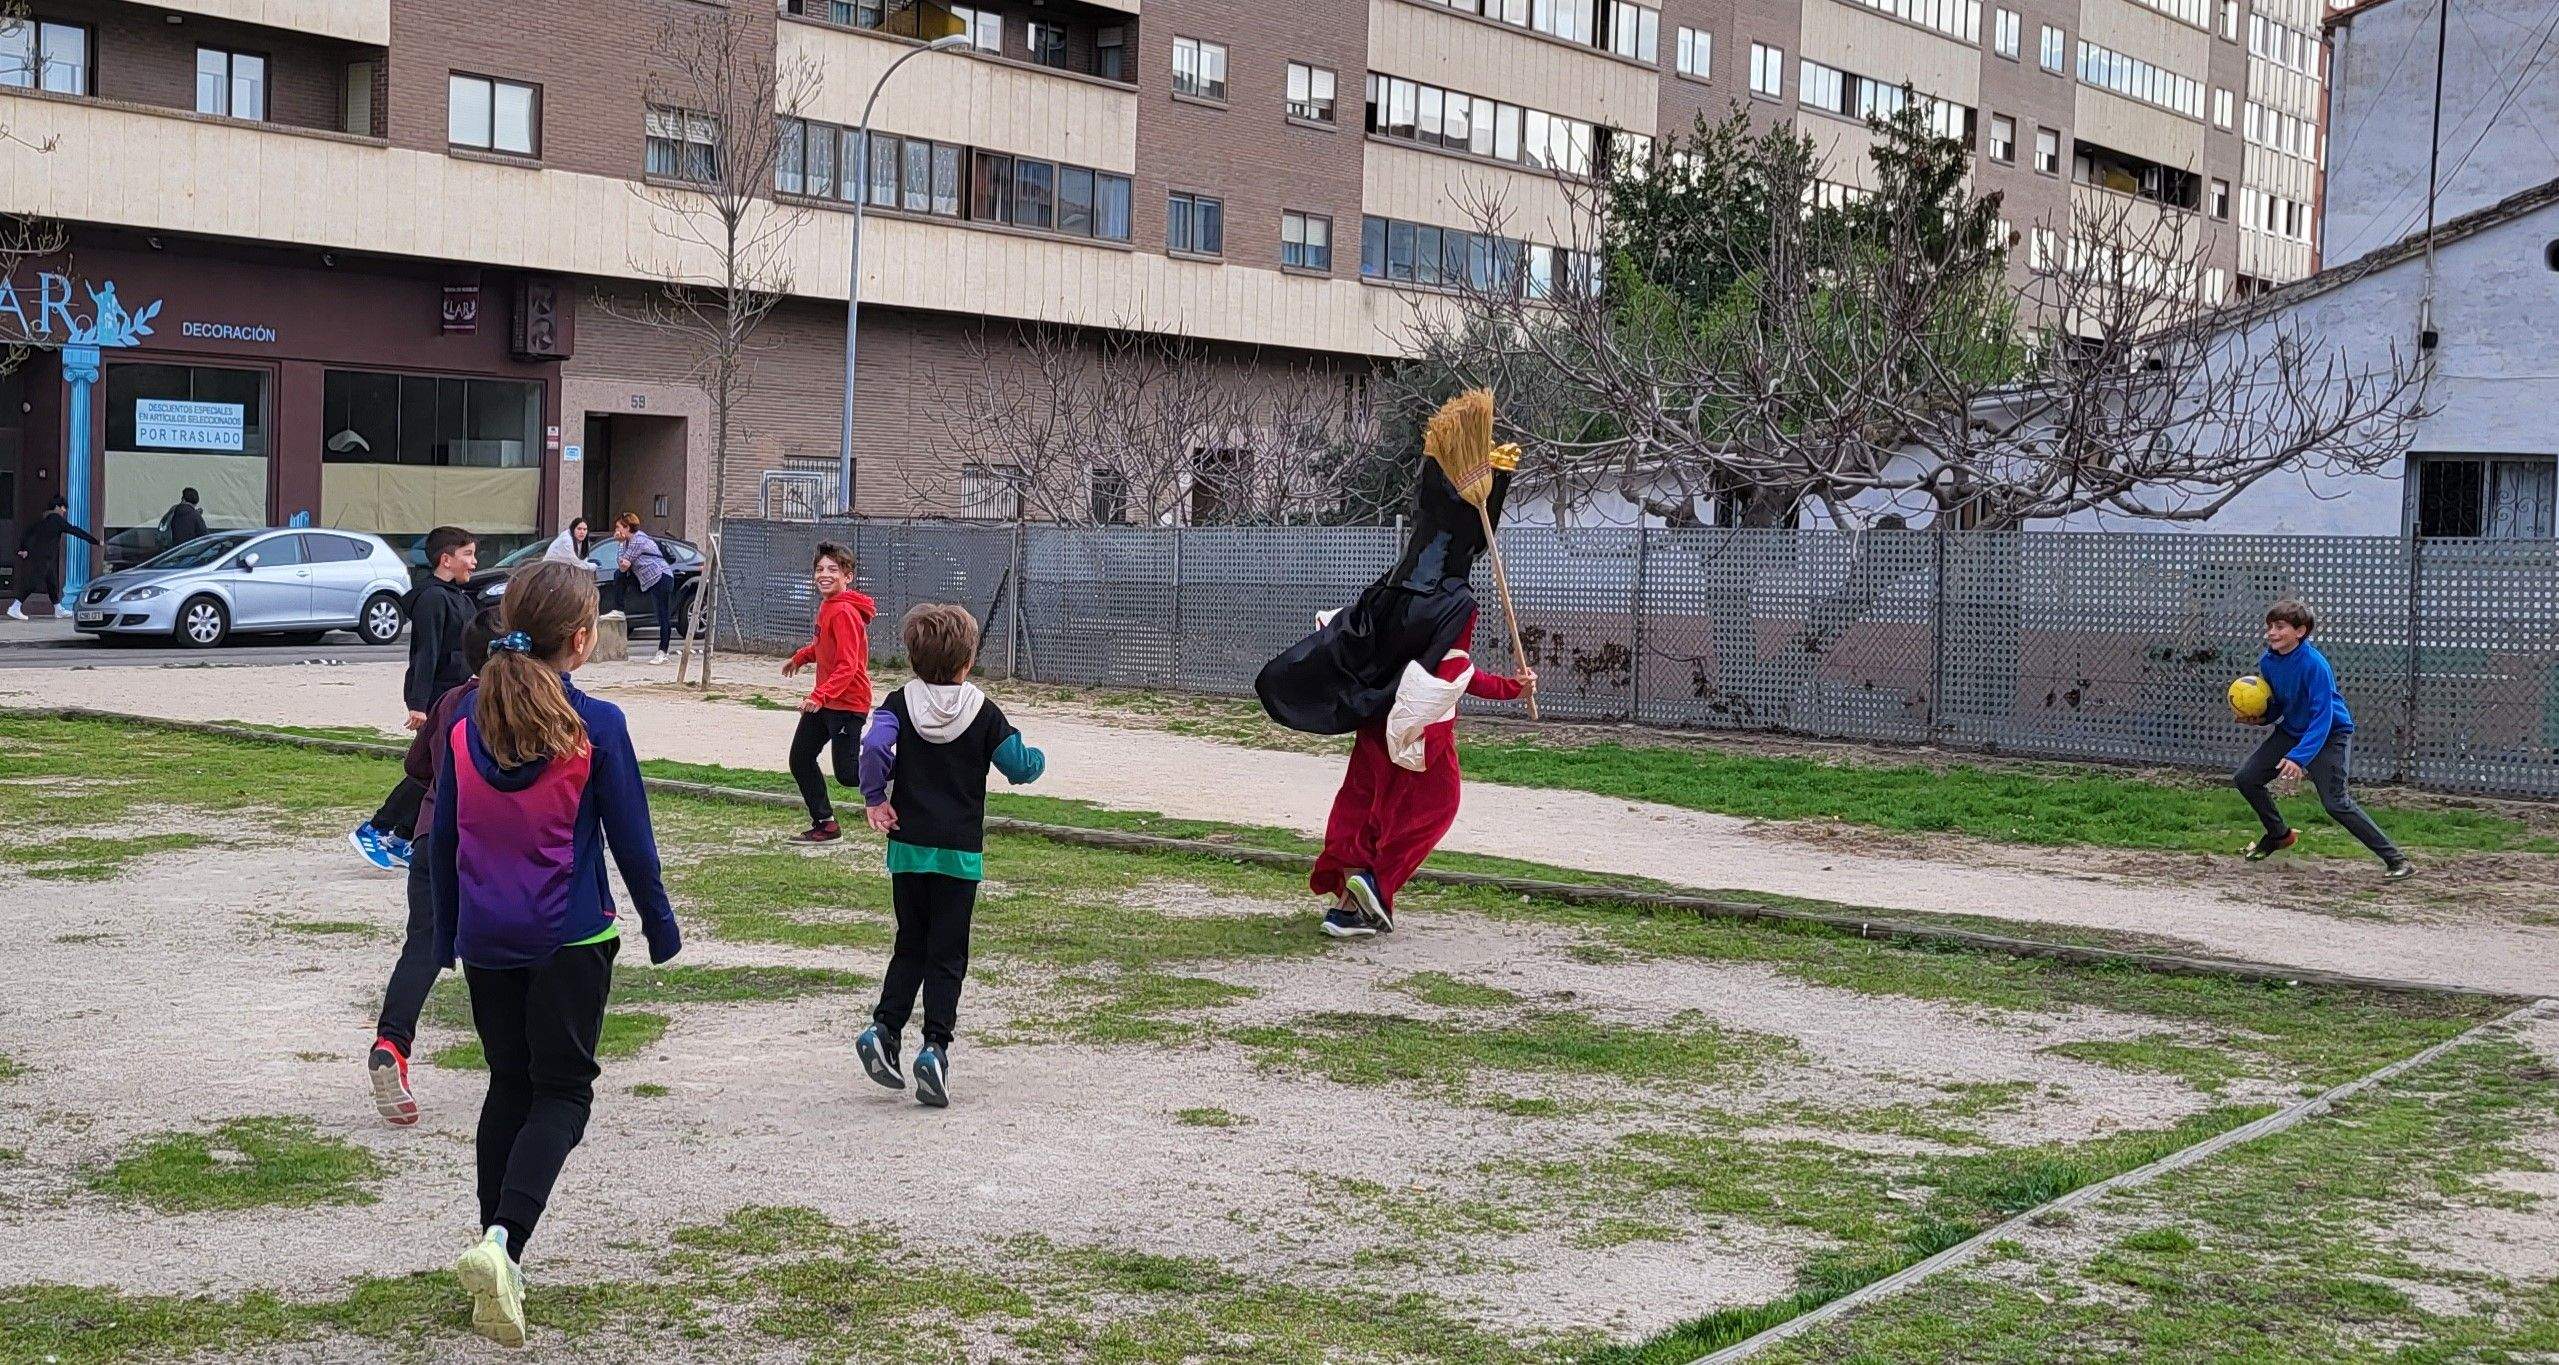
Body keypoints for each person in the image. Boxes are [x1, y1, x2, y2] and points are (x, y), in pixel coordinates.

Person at [428, 560, 680, 1347]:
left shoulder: (466, 722)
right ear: (580, 639)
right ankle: (503, 1244)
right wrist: (660, 924)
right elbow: (633, 840)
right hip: (570, 939)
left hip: (487, 938)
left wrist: (444, 935)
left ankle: (494, 1253)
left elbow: (440, 841)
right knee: (563, 1093)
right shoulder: (595, 724)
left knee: (509, 1083)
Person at [1255, 421, 1534, 938]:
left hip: (1372, 723)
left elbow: (1359, 635)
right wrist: (1510, 688)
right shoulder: (1457, 600)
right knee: (1435, 806)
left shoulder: (1391, 585)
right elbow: (1451, 670)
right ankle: (1376, 884)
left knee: (1365, 806)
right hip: (1418, 732)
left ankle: (1347, 909)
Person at [852, 604, 1045, 1108]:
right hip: (959, 854)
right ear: (968, 660)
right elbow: (1019, 767)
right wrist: (1037, 760)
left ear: (913, 657)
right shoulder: (983, 711)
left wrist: (875, 798)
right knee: (948, 953)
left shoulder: (898, 703)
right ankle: (934, 1047)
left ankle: (884, 1029)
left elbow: (873, 748)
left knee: (910, 944)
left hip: (908, 848)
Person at [367, 606, 501, 1127]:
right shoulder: (522, 703)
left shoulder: (451, 700)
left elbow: (415, 765)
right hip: (492, 844)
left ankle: (392, 1044)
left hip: (431, 838)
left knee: (422, 945)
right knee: (507, 951)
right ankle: (520, 1064)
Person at [2235, 599, 2413, 880]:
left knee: (2336, 803)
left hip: (2329, 734)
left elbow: (2323, 716)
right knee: (2246, 779)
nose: (2271, 632)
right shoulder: (2268, 661)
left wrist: (2298, 758)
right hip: (2293, 731)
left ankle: (2397, 859)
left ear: (2300, 631)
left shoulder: (2315, 664)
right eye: (2269, 626)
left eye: (2279, 627)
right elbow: (2281, 704)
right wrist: (2262, 717)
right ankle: (2279, 834)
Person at [351, 526, 477, 871]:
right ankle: (376, 828)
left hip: (458, 692)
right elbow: (426, 653)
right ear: (446, 559)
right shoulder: (432, 598)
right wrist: (419, 705)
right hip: (436, 696)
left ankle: (403, 837)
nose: (474, 562)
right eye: (467, 555)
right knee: (429, 768)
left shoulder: (459, 597)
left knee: (442, 771)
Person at [781, 541, 878, 843]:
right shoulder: (828, 606)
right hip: (826, 701)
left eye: (833, 569)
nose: (824, 574)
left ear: (847, 577)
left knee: (848, 775)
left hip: (847, 704)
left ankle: (903, 776)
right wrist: (801, 657)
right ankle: (826, 825)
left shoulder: (844, 612)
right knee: (801, 758)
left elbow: (848, 666)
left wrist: (818, 696)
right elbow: (825, 647)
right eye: (820, 569)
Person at [9, 495, 100, 620]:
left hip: (44, 556)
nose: (64, 511)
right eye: (63, 508)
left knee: (52, 582)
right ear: (57, 507)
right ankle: (15, 606)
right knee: (33, 582)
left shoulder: (45, 519)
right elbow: (74, 530)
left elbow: (30, 532)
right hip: (44, 556)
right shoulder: (57, 520)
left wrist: (24, 548)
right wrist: (94, 541)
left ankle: (58, 609)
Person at [613, 512, 674, 664]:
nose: (616, 531)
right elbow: (621, 566)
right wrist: (621, 544)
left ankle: (663, 652)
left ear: (627, 528)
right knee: (618, 575)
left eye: (618, 527)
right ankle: (619, 609)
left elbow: (624, 564)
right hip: (648, 580)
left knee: (662, 614)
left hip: (661, 577)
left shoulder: (638, 539)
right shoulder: (628, 542)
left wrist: (620, 543)